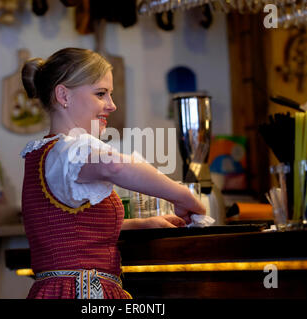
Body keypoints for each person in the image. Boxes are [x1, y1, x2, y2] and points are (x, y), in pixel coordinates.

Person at [20, 47, 205, 299]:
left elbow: (72, 230)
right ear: (63, 95)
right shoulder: (71, 148)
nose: (112, 105)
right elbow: (114, 166)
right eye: (101, 94)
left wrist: (139, 224)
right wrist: (183, 195)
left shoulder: (45, 154)